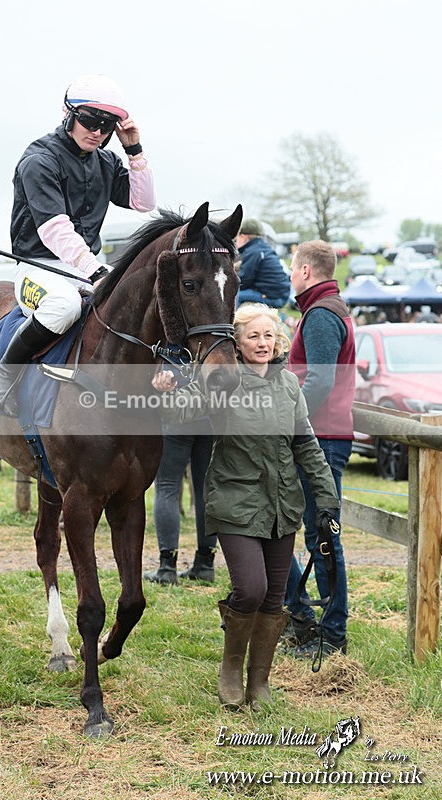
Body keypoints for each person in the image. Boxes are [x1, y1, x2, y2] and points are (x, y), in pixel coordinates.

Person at [151, 304, 338, 710]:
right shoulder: (223, 382)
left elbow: (306, 445)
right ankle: (231, 668)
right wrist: (166, 391)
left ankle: (260, 682)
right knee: (251, 589)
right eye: (253, 336)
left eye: (268, 335)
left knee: (273, 597)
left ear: (278, 339)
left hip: (282, 503)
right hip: (235, 498)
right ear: (236, 341)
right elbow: (181, 411)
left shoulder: (289, 385)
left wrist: (327, 500)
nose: (262, 343)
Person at [0, 73, 155, 416]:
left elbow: (144, 202)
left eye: (107, 125)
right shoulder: (39, 159)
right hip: (39, 267)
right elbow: (54, 230)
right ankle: (3, 375)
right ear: (68, 113)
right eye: (89, 120)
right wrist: (95, 271)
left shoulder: (106, 161)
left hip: (84, 268)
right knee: (63, 306)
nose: (96, 131)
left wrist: (133, 149)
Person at [283, 240, 356, 658]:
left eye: (293, 269)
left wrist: (288, 424)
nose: (291, 275)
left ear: (306, 271)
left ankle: (332, 633)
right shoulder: (324, 309)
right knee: (302, 532)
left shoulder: (322, 315)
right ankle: (302, 616)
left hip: (322, 439)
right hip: (320, 435)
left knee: (323, 538)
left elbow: (321, 382)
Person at [144, 424, 216, 586]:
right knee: (205, 489)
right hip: (209, 417)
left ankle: (167, 568)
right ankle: (205, 564)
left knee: (166, 486)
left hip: (176, 417)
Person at [235, 219, 291, 309]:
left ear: (243, 237)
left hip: (273, 297)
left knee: (236, 296)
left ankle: (232, 322)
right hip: (281, 295)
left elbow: (244, 281)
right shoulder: (263, 248)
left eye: (236, 239)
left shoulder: (252, 251)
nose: (236, 242)